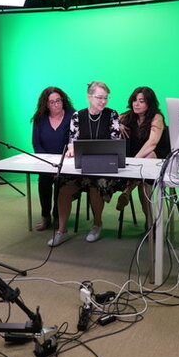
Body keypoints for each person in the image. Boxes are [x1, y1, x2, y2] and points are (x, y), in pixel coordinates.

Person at [48, 81, 121, 246]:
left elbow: (116, 142)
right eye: (99, 98)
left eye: (106, 98)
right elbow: (72, 142)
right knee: (63, 186)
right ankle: (62, 230)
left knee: (96, 184)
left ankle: (97, 224)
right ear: (89, 97)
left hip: (104, 167)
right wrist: (71, 149)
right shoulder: (77, 116)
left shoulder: (112, 115)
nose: (103, 101)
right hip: (82, 166)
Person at [116, 86, 170, 221]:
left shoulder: (157, 117)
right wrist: (119, 125)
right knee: (143, 180)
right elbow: (111, 120)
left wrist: (134, 161)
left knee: (149, 157)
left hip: (158, 156)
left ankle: (127, 191)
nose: (136, 104)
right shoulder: (128, 116)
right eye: (135, 100)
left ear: (149, 103)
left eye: (141, 101)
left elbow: (152, 143)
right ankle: (150, 222)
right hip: (140, 163)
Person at [32, 87, 75, 231]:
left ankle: (58, 216)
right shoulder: (39, 119)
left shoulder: (72, 116)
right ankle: (45, 216)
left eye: (58, 101)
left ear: (63, 101)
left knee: (60, 181)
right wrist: (48, 165)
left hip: (67, 163)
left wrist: (61, 165)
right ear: (46, 104)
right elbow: (36, 144)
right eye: (51, 102)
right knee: (43, 180)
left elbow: (74, 142)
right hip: (46, 162)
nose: (56, 104)